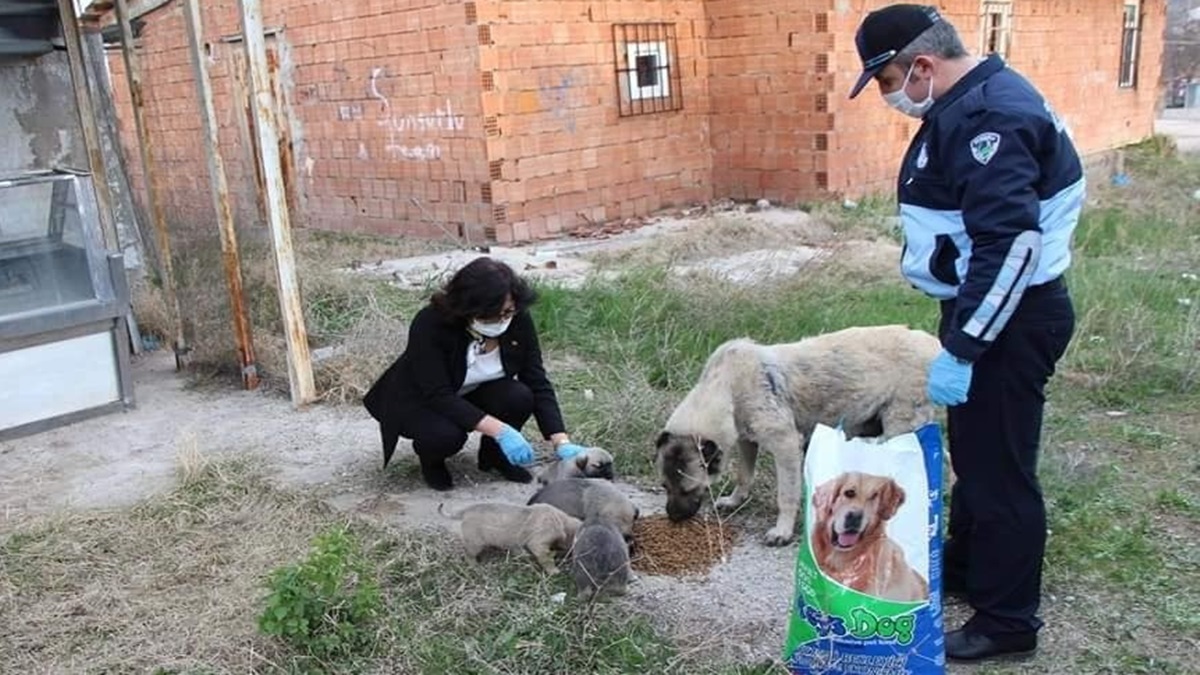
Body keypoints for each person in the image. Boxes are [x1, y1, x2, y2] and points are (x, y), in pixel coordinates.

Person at [848, 4, 1079, 663]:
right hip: (987, 312)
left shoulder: (989, 118)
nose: (891, 95)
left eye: (890, 79)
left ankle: (1007, 622)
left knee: (1002, 469)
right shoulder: (970, 102)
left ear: (922, 65)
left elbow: (1011, 247)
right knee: (977, 457)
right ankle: (975, 566)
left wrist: (965, 346)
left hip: (1008, 318)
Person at [362, 256, 590, 491]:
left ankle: (494, 456)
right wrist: (501, 430)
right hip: (423, 400)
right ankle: (432, 462)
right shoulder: (430, 323)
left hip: (473, 391)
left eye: (507, 311)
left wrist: (560, 440)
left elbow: (536, 379)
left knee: (519, 396)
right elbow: (437, 394)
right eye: (490, 315)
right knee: (445, 435)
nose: (501, 320)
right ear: (467, 308)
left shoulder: (516, 319)